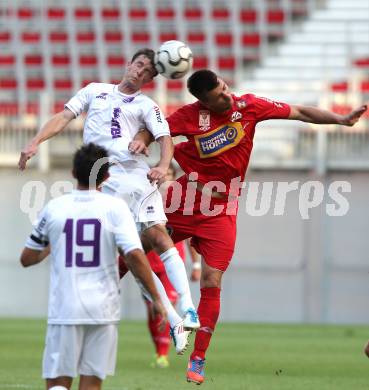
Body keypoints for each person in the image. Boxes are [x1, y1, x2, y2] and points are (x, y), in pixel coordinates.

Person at [131, 69, 368, 384]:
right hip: (184, 200)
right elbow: (155, 129)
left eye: (225, 88)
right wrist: (141, 139)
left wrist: (340, 120)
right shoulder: (189, 116)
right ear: (203, 101)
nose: (227, 96)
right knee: (135, 245)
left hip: (221, 212)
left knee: (213, 280)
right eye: (218, 96)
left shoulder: (249, 106)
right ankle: (107, 281)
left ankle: (198, 358)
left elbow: (298, 112)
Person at [18, 48, 200, 338]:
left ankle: (188, 308)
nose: (140, 71)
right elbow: (64, 116)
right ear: (129, 63)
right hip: (102, 182)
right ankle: (174, 318)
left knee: (157, 236)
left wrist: (163, 166)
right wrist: (35, 141)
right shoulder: (95, 91)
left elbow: (165, 138)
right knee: (130, 255)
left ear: (150, 79)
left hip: (136, 178)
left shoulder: (146, 105)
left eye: (148, 72)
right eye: (139, 64)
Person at [20, 143, 167, 390]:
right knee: (91, 384)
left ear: (73, 173)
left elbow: (27, 258)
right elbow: (135, 256)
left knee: (57, 383)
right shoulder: (115, 207)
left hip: (65, 307)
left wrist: (53, 245)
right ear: (107, 177)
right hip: (103, 309)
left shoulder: (54, 208)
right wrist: (157, 299)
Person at [143, 164, 201, 368]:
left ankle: (163, 353)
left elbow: (188, 234)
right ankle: (161, 349)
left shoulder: (178, 201)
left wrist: (196, 264)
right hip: (146, 261)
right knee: (153, 310)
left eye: (168, 174)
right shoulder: (145, 198)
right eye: (161, 174)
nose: (163, 177)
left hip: (169, 263)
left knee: (165, 305)